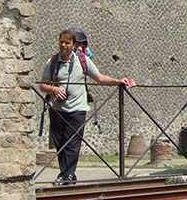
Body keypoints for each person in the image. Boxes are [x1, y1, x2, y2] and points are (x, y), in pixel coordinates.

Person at [40, 29, 133, 186]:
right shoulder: (52, 62)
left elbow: (99, 77)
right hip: (57, 109)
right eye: (61, 42)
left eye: (67, 43)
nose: (63, 45)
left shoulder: (82, 60)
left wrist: (117, 81)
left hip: (78, 109)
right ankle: (66, 174)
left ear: (73, 45)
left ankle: (68, 176)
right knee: (60, 143)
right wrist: (54, 89)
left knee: (72, 143)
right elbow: (42, 86)